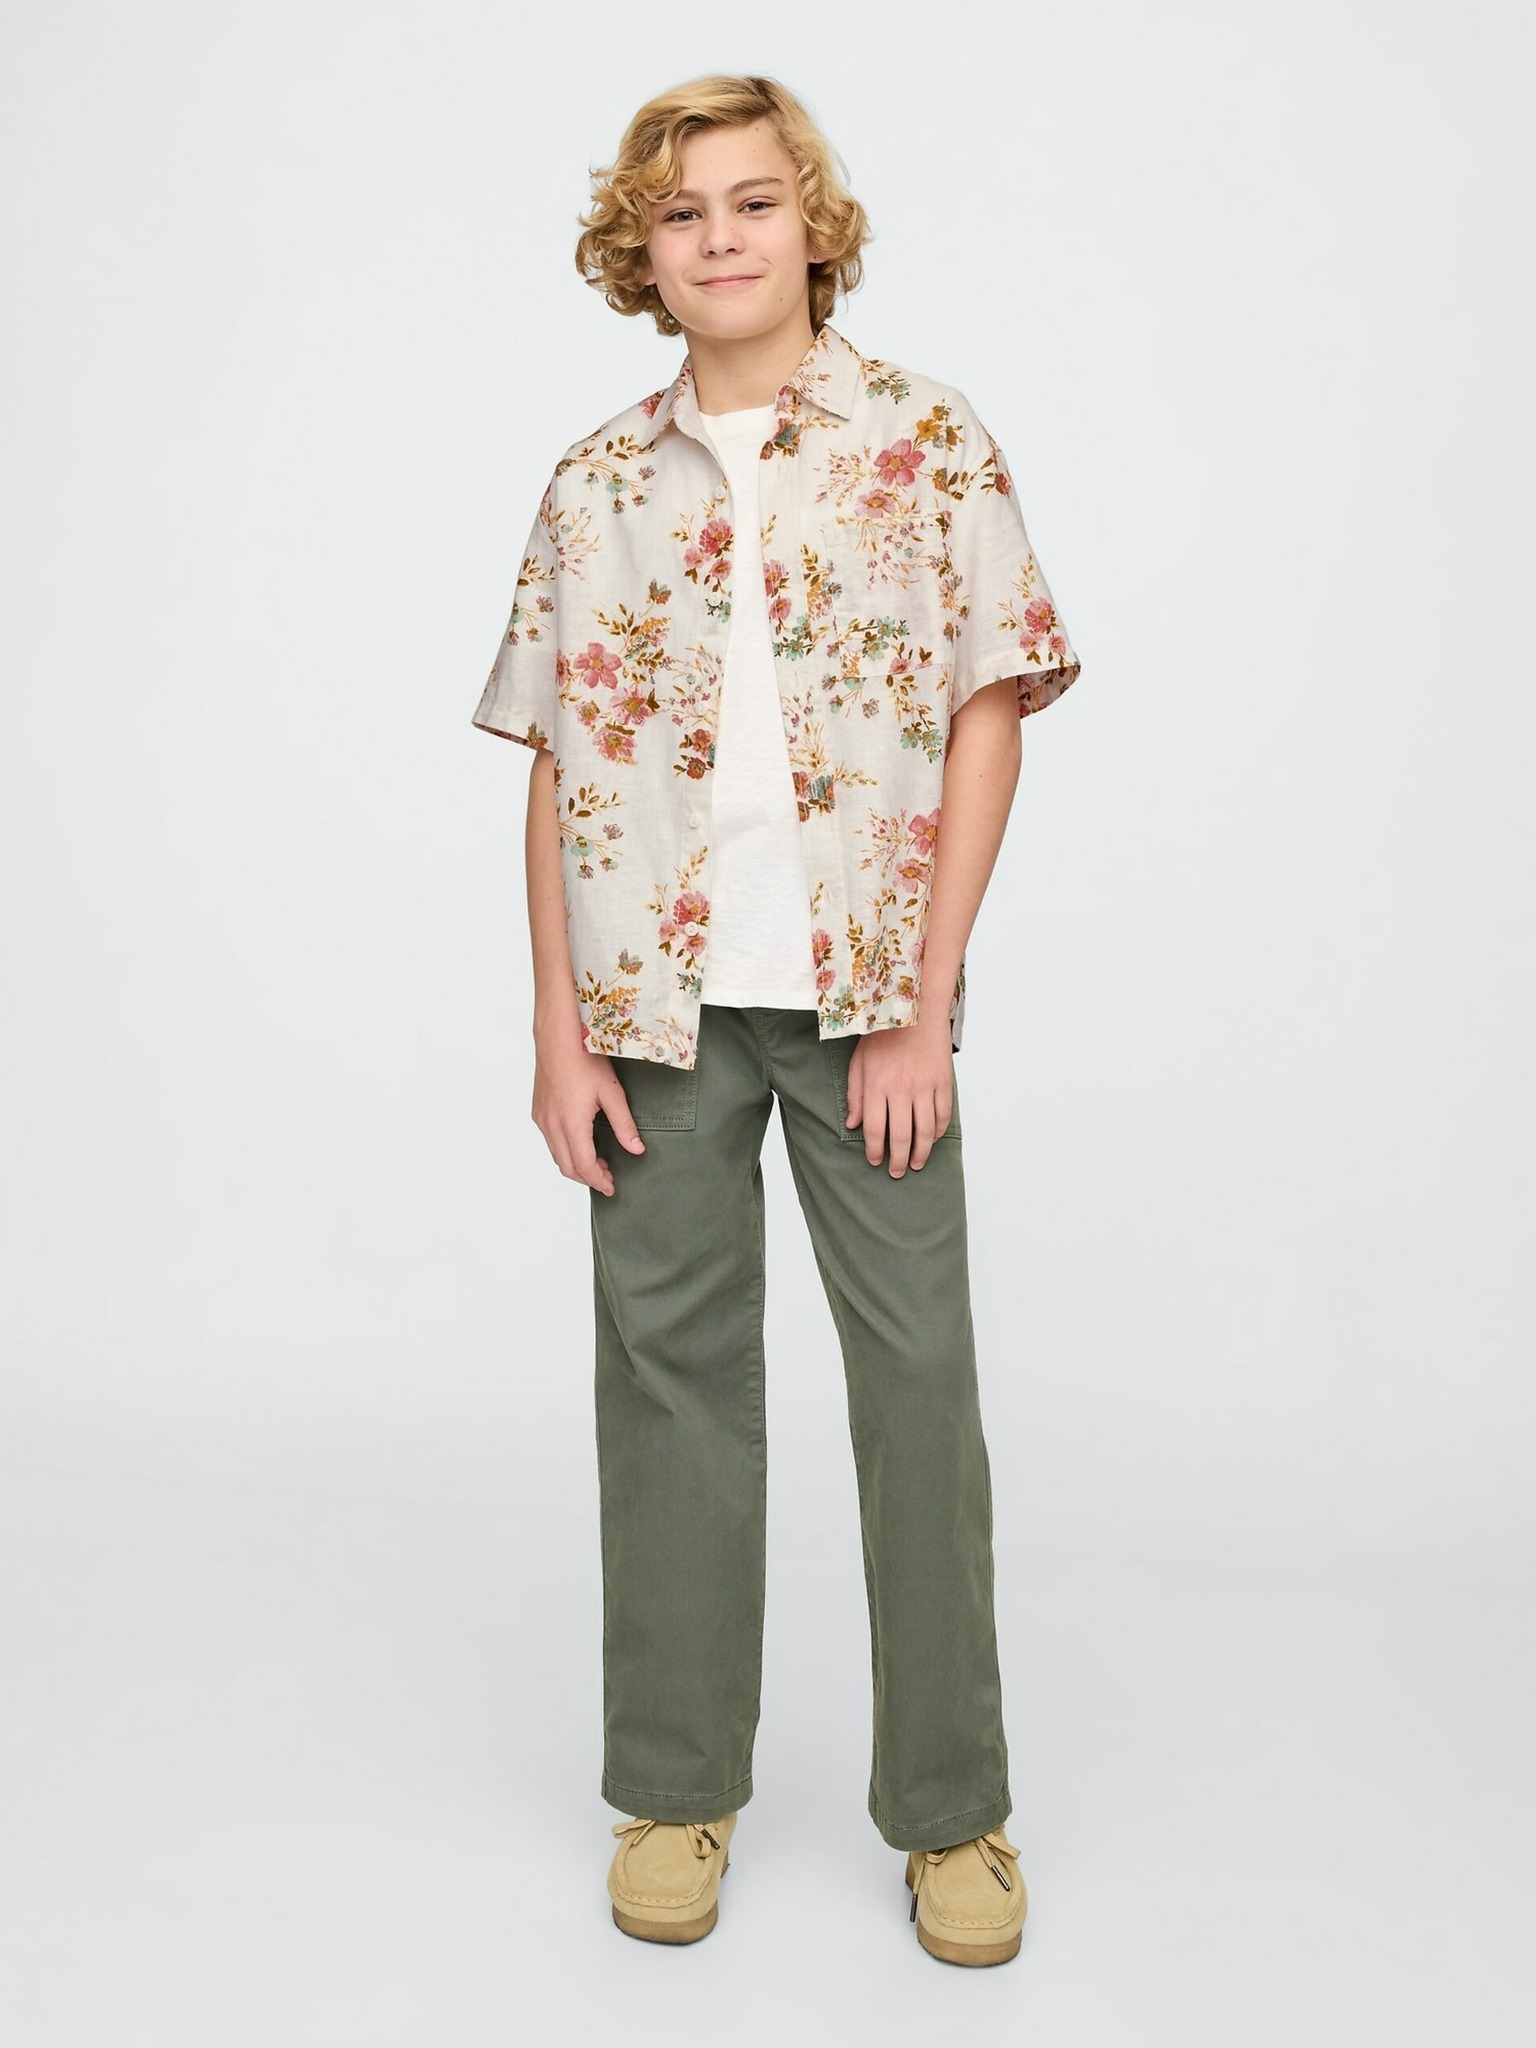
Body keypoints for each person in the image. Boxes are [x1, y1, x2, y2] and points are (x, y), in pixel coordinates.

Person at [471, 73, 1080, 1966]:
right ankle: (675, 1787)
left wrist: (924, 1004)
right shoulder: (593, 483)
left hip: (864, 1004)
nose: (719, 236)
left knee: (916, 1391)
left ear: (813, 223)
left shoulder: (927, 441)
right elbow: (557, 765)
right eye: (681, 212)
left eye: (751, 200)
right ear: (638, 254)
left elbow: (988, 713)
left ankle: (954, 1813)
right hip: (651, 1010)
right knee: (666, 1393)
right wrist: (560, 1027)